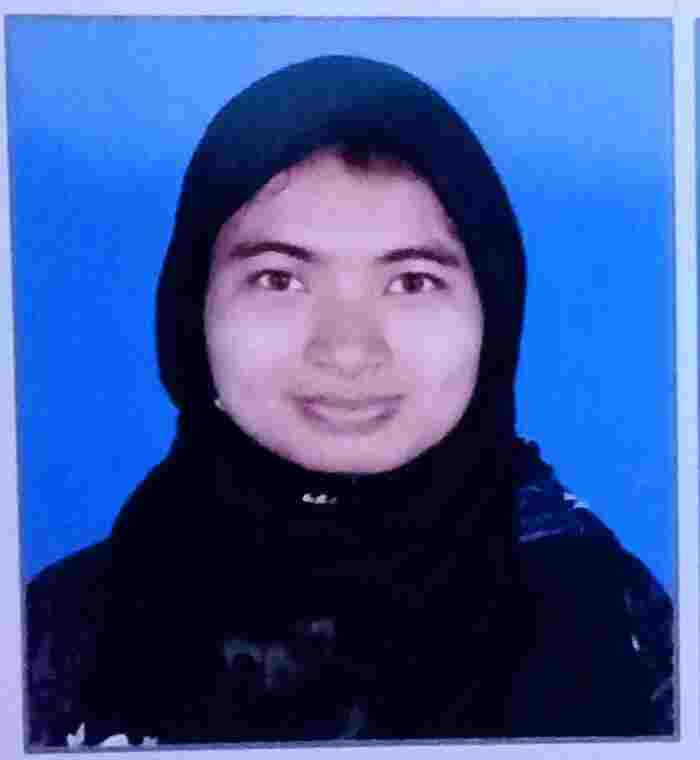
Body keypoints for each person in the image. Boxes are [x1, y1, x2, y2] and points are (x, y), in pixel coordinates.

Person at [25, 55, 673, 748]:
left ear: (495, 317)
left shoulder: (618, 634)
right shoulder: (55, 641)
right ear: (191, 315)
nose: (348, 350)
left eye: (412, 282)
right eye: (279, 279)